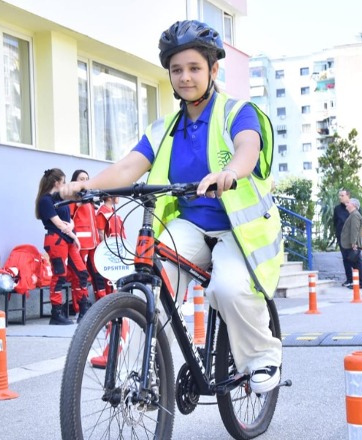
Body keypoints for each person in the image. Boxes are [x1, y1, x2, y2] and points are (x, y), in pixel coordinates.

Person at [60, 20, 283, 394]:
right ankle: (140, 377)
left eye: (194, 68)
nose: (185, 77)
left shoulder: (236, 112)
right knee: (150, 281)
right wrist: (85, 187)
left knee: (227, 289)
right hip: (190, 225)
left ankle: (262, 356)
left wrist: (229, 172)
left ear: (213, 70)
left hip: (238, 229)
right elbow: (129, 166)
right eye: (176, 69)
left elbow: (248, 148)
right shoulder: (164, 128)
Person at [35, 168, 89, 325]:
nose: (65, 185)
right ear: (56, 182)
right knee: (60, 275)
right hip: (57, 240)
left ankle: (84, 309)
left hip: (67, 240)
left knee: (82, 273)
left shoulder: (60, 198)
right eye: (63, 181)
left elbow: (69, 221)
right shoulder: (46, 200)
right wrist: (73, 234)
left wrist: (71, 231)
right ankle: (56, 313)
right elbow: (59, 224)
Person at [65, 169, 99, 321]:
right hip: (80, 244)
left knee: (92, 276)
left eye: (86, 178)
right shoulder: (73, 199)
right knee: (80, 276)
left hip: (93, 244)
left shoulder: (90, 199)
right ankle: (81, 306)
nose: (84, 181)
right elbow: (68, 220)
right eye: (81, 178)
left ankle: (87, 305)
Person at [91, 195, 126, 297]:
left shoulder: (113, 212)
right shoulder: (102, 212)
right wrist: (109, 249)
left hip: (118, 249)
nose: (119, 197)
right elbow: (101, 233)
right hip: (110, 251)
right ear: (110, 197)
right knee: (110, 281)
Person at [340, 198, 362, 288]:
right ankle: (358, 283)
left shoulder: (355, 215)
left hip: (354, 244)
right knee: (355, 264)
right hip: (352, 244)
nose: (346, 204)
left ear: (353, 205)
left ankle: (360, 283)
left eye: (349, 203)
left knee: (357, 264)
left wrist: (353, 243)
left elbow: (354, 230)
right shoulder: (352, 215)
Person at [333, 189, 353, 287]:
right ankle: (349, 279)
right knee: (345, 258)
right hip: (341, 237)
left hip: (352, 236)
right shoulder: (337, 209)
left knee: (356, 258)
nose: (340, 197)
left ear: (347, 195)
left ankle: (361, 280)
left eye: (342, 195)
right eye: (339, 195)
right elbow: (335, 222)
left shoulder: (354, 206)